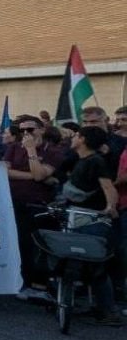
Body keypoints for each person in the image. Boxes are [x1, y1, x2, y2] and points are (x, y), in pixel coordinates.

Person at [61, 126, 122, 326]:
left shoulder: (96, 161)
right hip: (77, 217)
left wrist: (110, 207)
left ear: (83, 139)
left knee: (97, 266)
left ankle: (108, 311)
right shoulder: (81, 160)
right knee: (84, 264)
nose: (73, 138)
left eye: (77, 135)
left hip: (92, 220)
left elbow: (108, 187)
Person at [5, 115, 64, 300]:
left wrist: (31, 150)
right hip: (15, 202)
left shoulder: (53, 151)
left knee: (38, 247)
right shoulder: (13, 148)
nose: (25, 134)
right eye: (22, 131)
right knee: (20, 244)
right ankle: (23, 283)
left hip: (40, 205)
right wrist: (31, 175)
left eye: (30, 130)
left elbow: (40, 174)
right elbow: (5, 171)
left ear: (41, 130)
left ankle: (40, 285)